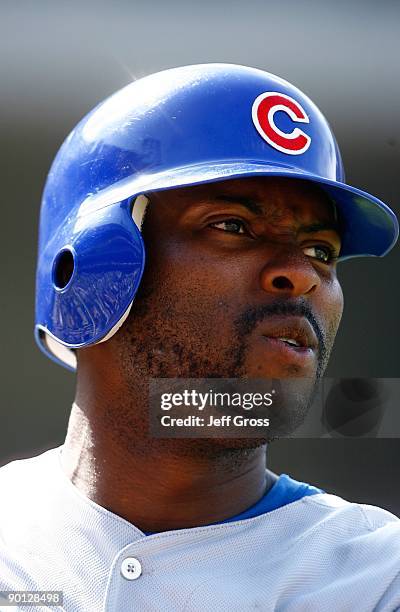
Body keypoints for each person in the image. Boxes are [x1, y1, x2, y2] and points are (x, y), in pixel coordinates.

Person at [0, 64, 399, 611]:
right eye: (233, 226)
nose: (302, 274)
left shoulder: (378, 578)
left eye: (321, 251)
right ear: (91, 268)